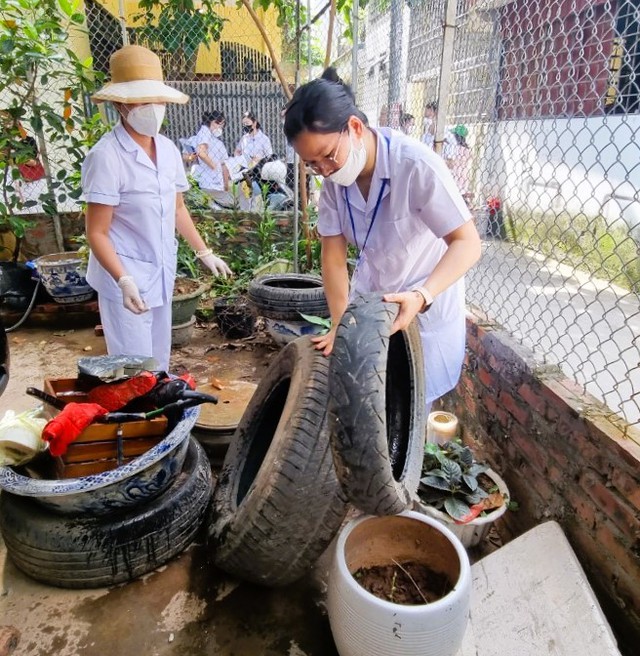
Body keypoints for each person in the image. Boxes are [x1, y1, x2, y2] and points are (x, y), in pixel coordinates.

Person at [283, 69, 481, 413]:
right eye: (312, 164)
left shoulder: (417, 166)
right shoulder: (333, 183)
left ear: (355, 128)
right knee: (368, 402)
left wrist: (422, 295)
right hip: (373, 305)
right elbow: (332, 257)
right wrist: (342, 326)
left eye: (328, 155)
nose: (325, 171)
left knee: (409, 411)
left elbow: (468, 243)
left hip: (422, 306)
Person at [82, 45, 231, 371]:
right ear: (121, 104)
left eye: (157, 100)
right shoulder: (106, 156)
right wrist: (123, 279)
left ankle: (160, 418)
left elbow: (178, 208)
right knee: (133, 368)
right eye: (143, 101)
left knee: (159, 363)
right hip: (126, 276)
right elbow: (96, 232)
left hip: (160, 272)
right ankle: (137, 420)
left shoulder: (167, 150)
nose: (153, 108)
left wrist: (204, 252)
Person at [191, 110, 232, 205]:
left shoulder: (211, 139)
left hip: (207, 183)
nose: (220, 128)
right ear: (212, 122)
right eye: (219, 124)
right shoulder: (205, 132)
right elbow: (201, 152)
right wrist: (213, 166)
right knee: (233, 203)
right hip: (214, 183)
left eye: (222, 125)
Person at [444, 124, 473, 203]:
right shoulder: (467, 149)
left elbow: (450, 163)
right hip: (464, 174)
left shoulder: (453, 148)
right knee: (461, 196)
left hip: (454, 174)